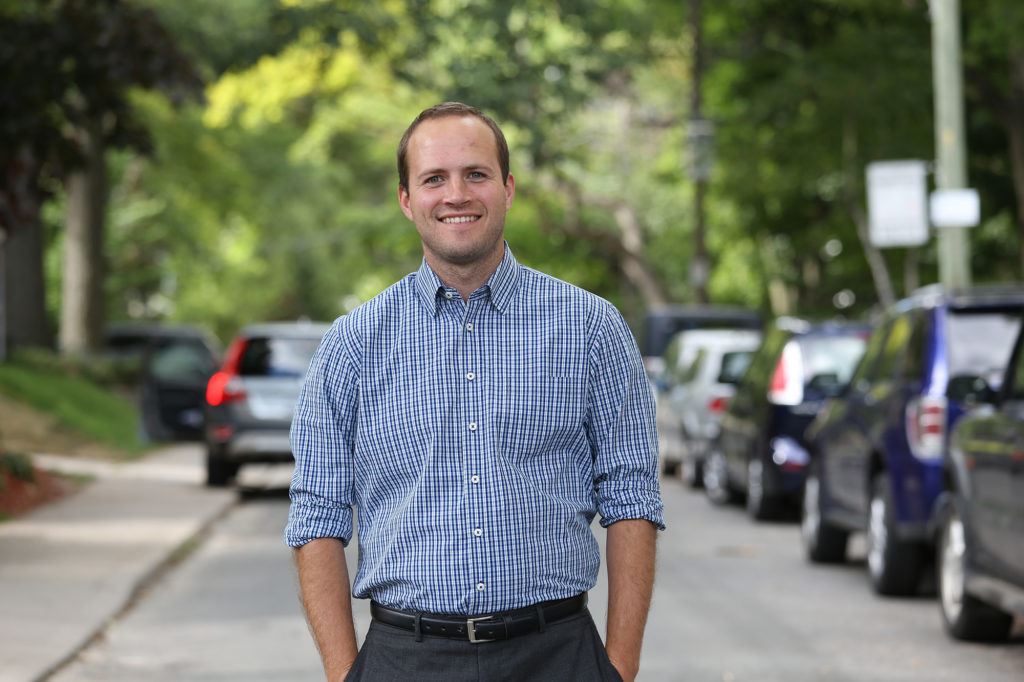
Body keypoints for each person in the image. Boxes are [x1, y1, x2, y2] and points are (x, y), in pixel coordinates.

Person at [286, 101, 664, 682]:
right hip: (404, 660)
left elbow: (631, 496)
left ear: (508, 188)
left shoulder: (591, 328)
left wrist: (619, 668)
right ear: (406, 199)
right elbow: (316, 513)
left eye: (476, 174)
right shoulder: (352, 345)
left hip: (557, 657)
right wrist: (345, 676)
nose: (456, 194)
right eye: (434, 179)